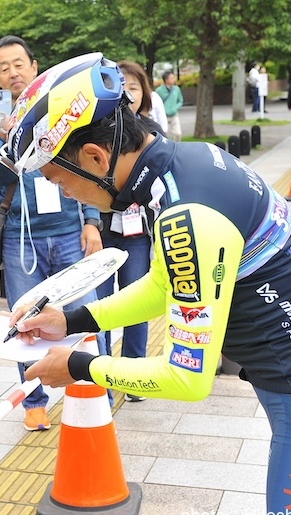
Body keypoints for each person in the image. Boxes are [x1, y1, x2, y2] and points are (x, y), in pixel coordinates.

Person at [1, 52, 291, 515]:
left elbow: (187, 377)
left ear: (95, 156)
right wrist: (72, 321)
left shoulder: (184, 213)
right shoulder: (176, 168)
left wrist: (78, 366)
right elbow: (164, 282)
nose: (67, 195)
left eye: (59, 180)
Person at [0, 35, 103, 431]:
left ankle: (100, 383)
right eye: (4, 68)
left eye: (19, 64)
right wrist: (8, 142)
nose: (13, 73)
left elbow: (84, 166)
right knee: (25, 320)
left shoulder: (59, 109)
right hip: (20, 237)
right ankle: (33, 399)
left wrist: (91, 221)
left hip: (69, 228)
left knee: (90, 310)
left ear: (34, 67)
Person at [95, 60, 161, 402]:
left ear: (143, 94)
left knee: (136, 301)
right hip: (105, 232)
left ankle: (134, 375)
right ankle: (101, 375)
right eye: (120, 87)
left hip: (137, 236)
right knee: (101, 305)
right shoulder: (99, 130)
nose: (127, 93)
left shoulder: (152, 133)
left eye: (134, 87)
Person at [155, 70, 183, 141]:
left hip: (174, 115)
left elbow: (180, 100)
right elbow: (156, 102)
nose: (173, 80)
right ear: (166, 79)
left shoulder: (176, 89)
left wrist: (175, 108)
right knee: (163, 134)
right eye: (172, 78)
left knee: (178, 133)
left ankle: (176, 146)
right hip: (163, 115)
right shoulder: (159, 90)